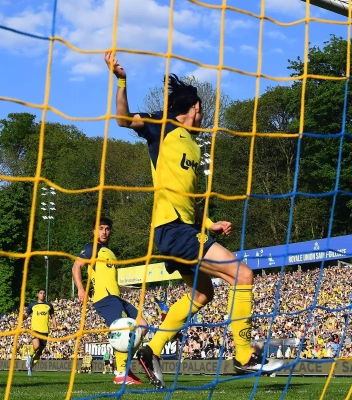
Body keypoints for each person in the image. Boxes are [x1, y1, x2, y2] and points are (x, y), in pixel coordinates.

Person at [104, 52, 284, 389]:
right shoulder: (163, 126)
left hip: (182, 229)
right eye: (203, 111)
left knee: (202, 295)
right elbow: (123, 120)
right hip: (173, 230)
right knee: (242, 274)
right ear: (197, 108)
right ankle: (244, 355)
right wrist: (122, 81)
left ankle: (151, 349)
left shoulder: (194, 146)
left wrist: (209, 224)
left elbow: (190, 200)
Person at [72, 217, 148, 385]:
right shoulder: (92, 247)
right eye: (100, 228)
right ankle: (121, 374)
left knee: (143, 326)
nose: (104, 232)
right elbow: (76, 266)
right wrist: (80, 288)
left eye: (107, 228)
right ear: (94, 231)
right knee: (124, 330)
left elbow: (111, 280)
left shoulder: (110, 252)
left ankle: (124, 367)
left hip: (116, 297)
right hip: (104, 298)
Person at [23, 289, 57, 374]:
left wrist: (55, 325)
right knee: (36, 346)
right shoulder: (33, 305)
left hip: (45, 330)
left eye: (44, 293)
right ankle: (29, 358)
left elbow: (53, 316)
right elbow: (26, 315)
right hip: (35, 329)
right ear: (37, 294)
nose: (42, 294)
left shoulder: (48, 305)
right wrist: (22, 317)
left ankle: (31, 366)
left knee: (40, 351)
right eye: (41, 293)